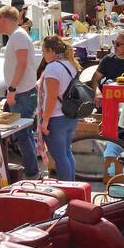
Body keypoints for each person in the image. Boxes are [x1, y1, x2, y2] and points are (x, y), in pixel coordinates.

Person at [0, 5, 39, 179]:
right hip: (23, 92)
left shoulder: (18, 36)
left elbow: (22, 63)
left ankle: (32, 172)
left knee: (23, 134)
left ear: (3, 19)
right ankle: (32, 170)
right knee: (24, 133)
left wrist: (12, 89)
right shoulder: (17, 36)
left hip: (22, 93)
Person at [37, 35, 79, 182]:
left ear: (51, 50)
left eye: (43, 51)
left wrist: (45, 120)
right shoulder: (70, 64)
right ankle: (73, 186)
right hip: (69, 115)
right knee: (66, 153)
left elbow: (52, 96)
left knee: (60, 157)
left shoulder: (52, 68)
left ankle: (68, 189)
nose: (43, 55)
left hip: (56, 117)